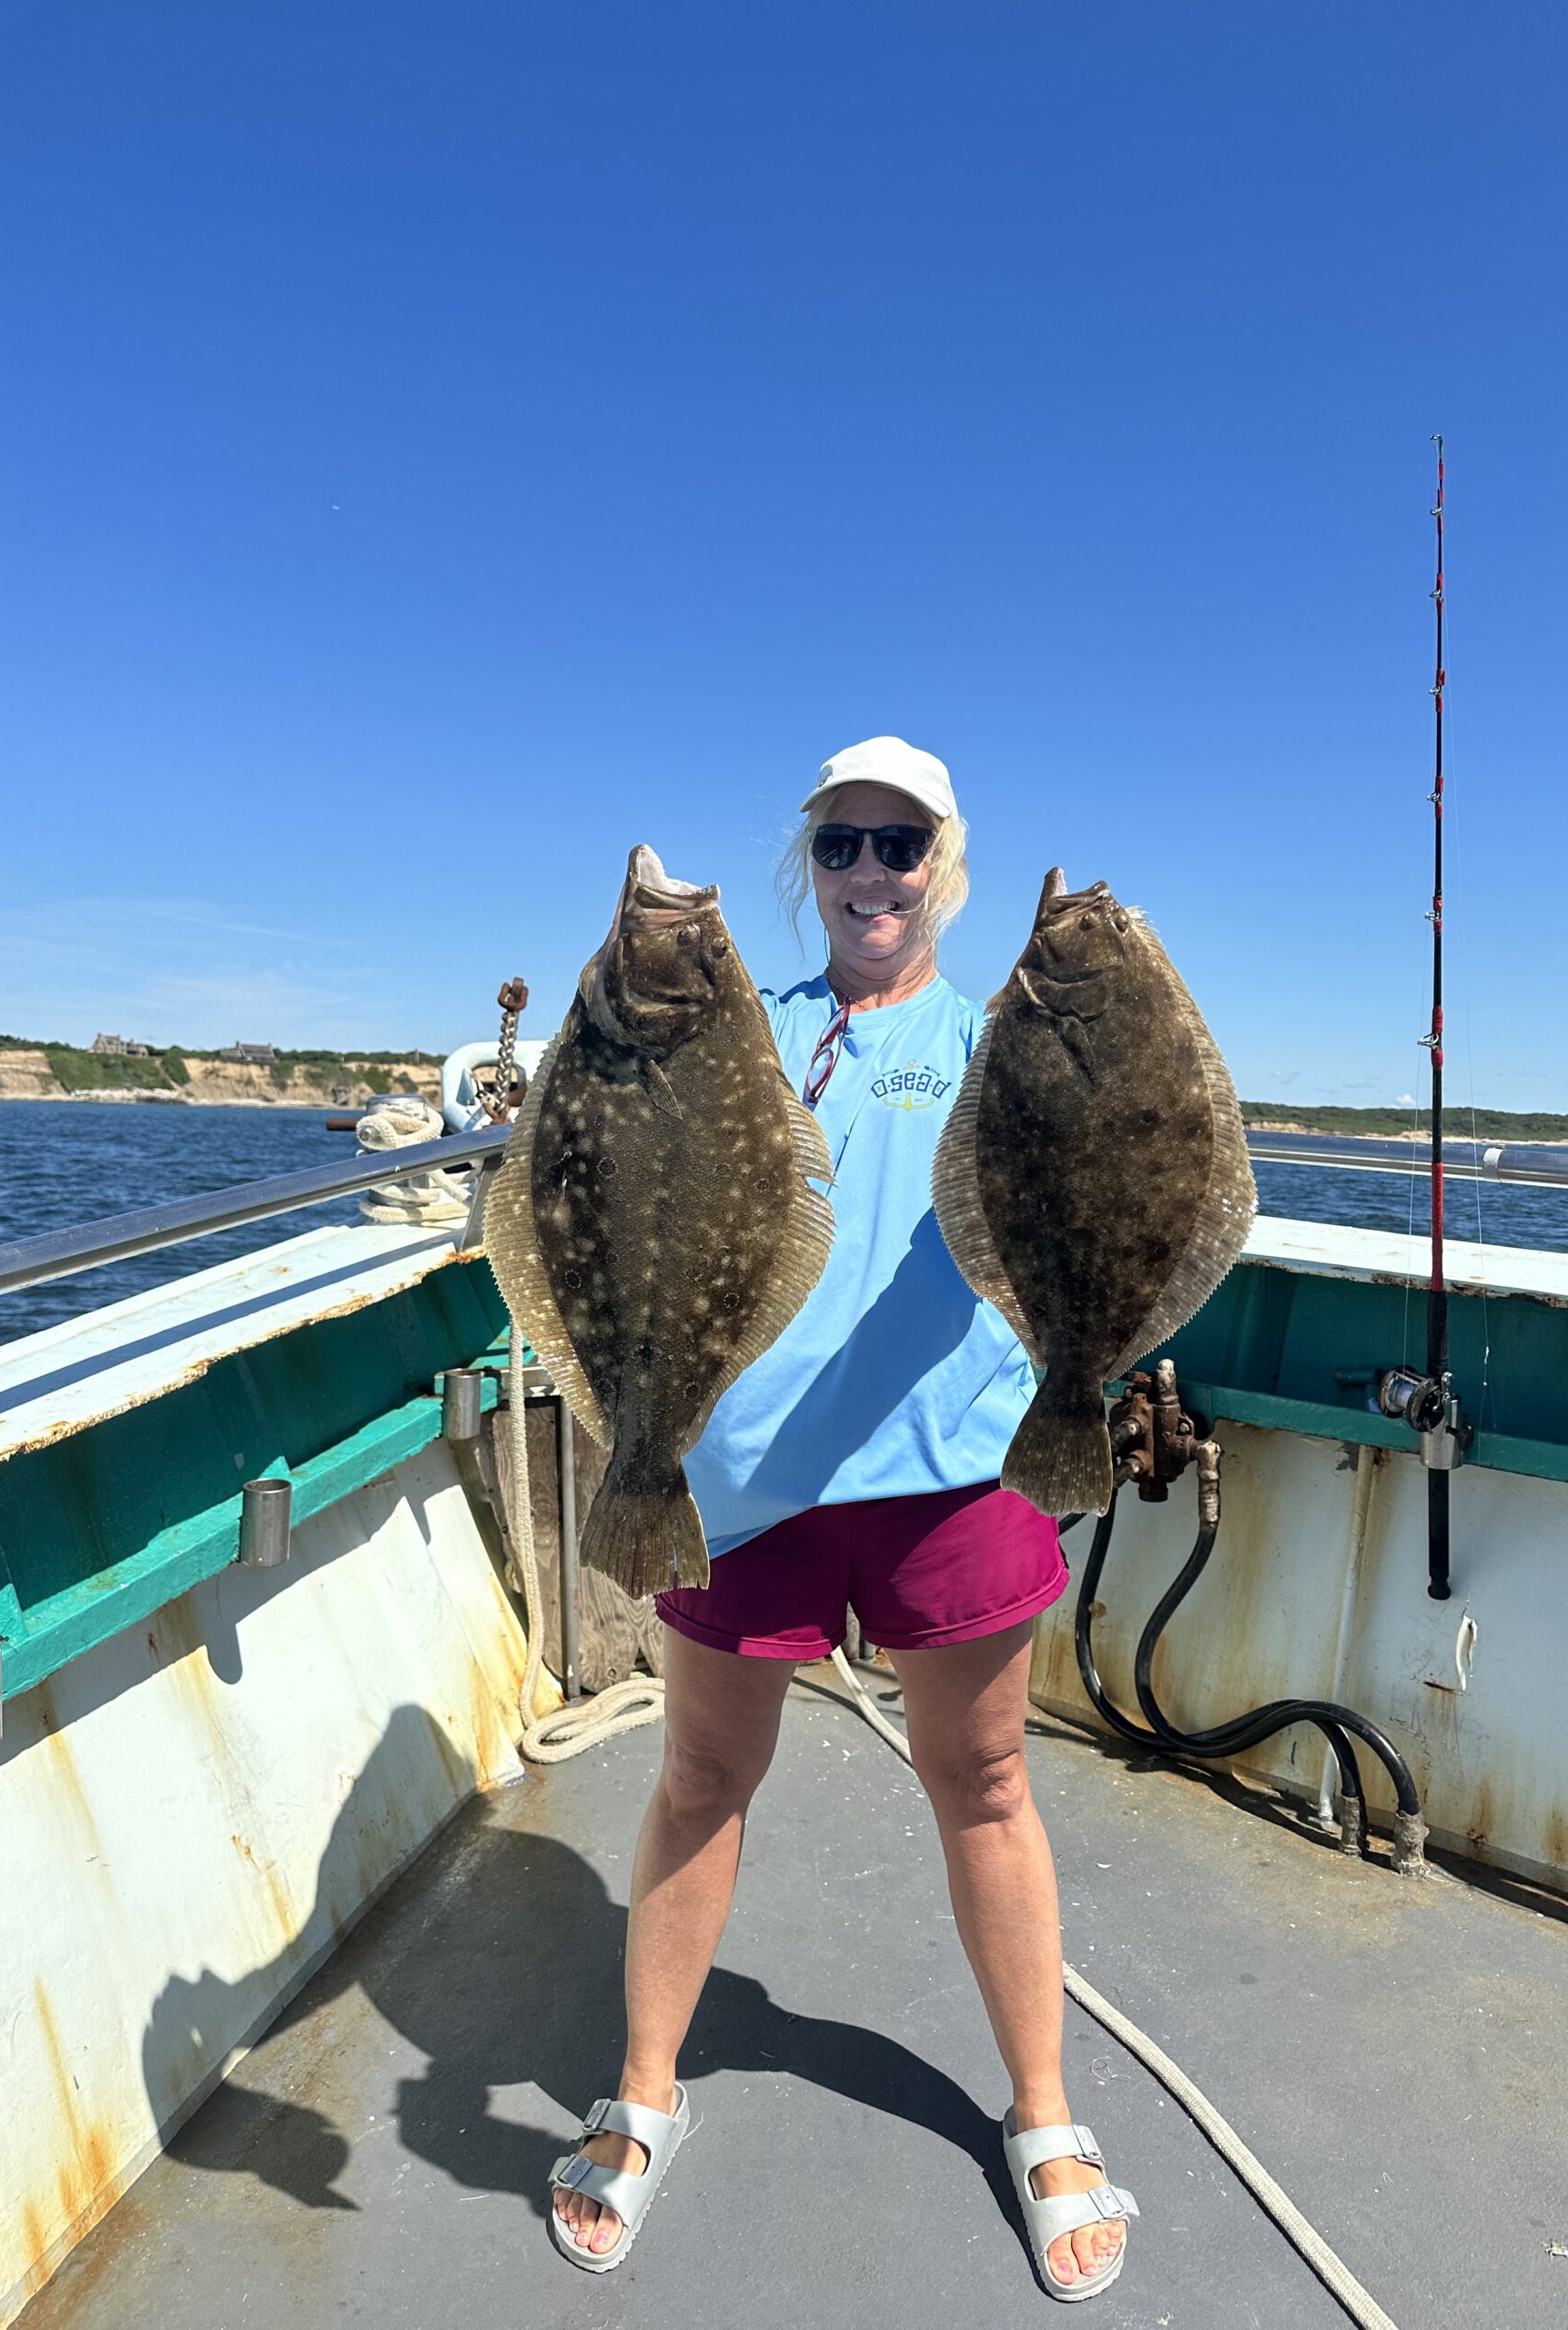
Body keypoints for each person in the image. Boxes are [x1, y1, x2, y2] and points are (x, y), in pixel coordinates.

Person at [548, 736, 1137, 2299]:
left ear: (946, 868)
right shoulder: (738, 1035)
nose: (868, 874)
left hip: (958, 1465)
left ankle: (1047, 2117)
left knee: (990, 1780)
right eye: (840, 847)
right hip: (738, 1482)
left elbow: (1111, 1168)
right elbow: (611, 1173)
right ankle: (645, 2093)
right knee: (701, 1777)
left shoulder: (1008, 1042)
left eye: (900, 846)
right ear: (807, 869)